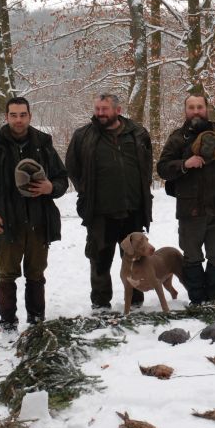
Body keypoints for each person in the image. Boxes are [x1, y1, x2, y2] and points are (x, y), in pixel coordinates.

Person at [0, 96, 69, 332]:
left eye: (23, 115)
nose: (18, 120)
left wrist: (50, 187)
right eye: (13, 115)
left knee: (36, 274)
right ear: (6, 117)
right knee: (7, 274)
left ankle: (36, 321)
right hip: (6, 222)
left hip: (39, 220)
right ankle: (7, 323)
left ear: (30, 116)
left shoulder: (43, 144)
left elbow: (62, 179)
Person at [66, 93, 154, 310]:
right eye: (97, 109)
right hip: (100, 213)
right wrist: (85, 191)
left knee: (134, 259)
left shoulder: (138, 133)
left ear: (118, 110)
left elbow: (146, 166)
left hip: (133, 210)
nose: (100, 113)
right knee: (99, 260)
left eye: (104, 109)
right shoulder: (83, 136)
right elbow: (72, 167)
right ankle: (101, 304)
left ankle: (135, 302)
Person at [157, 94, 215, 304]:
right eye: (191, 107)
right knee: (192, 257)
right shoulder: (177, 138)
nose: (196, 111)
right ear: (185, 110)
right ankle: (197, 300)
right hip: (190, 209)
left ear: (207, 108)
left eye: (200, 107)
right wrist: (184, 164)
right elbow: (162, 168)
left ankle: (214, 299)